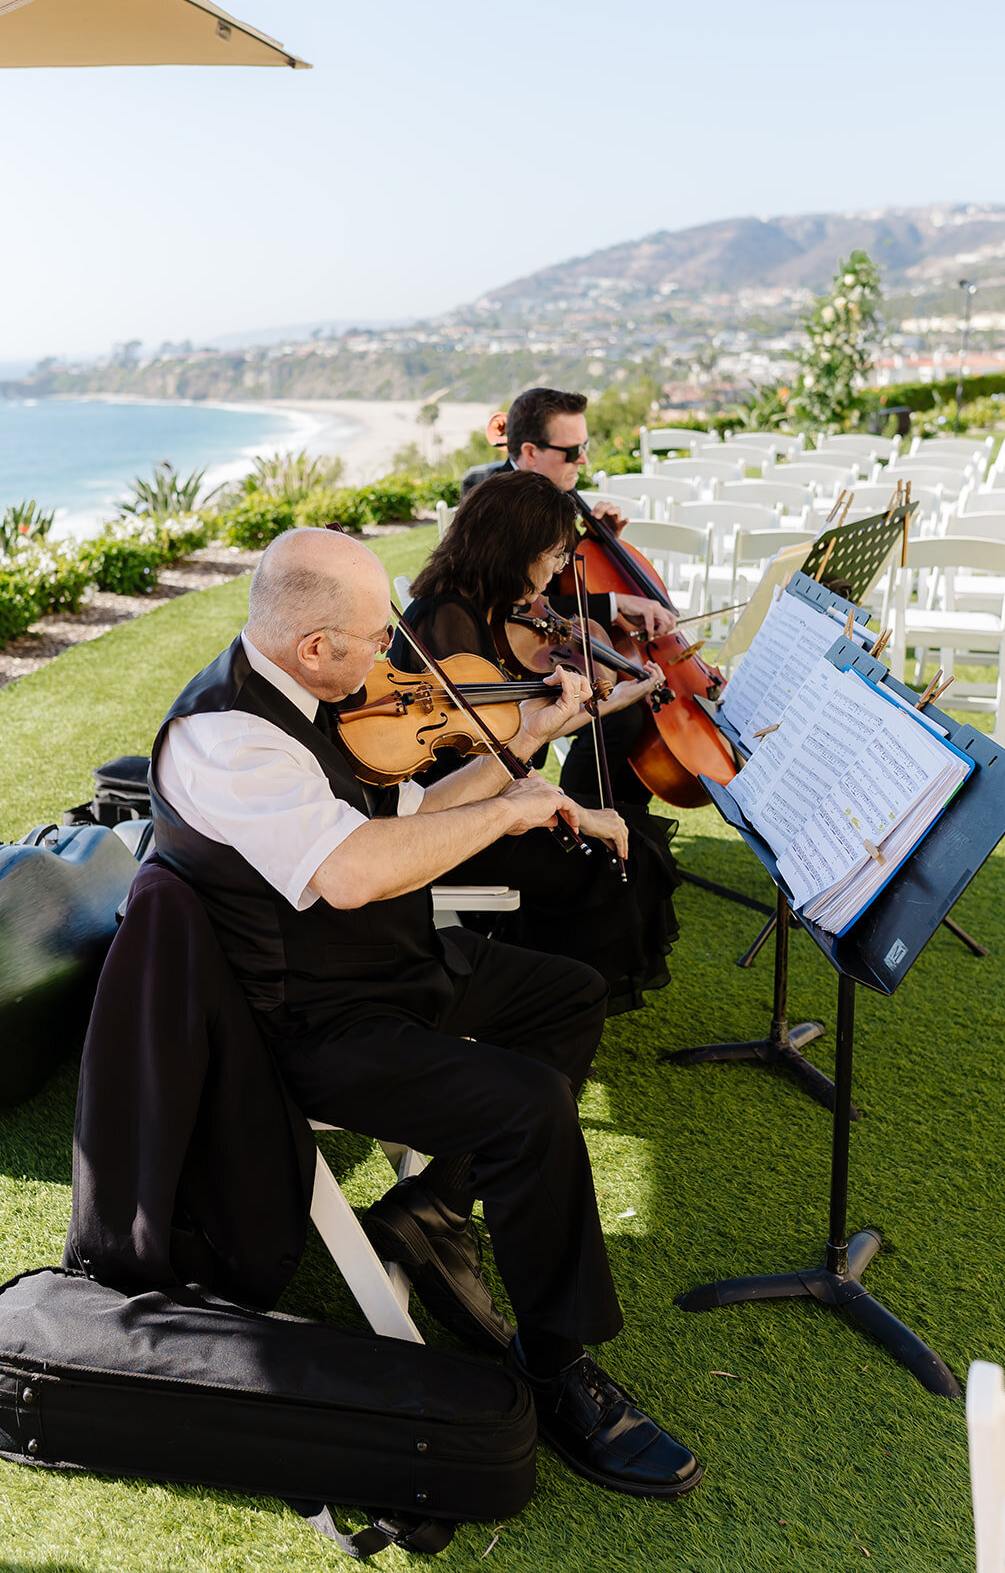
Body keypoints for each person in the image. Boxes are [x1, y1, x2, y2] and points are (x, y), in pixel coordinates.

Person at [149, 525, 701, 1501]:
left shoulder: (316, 695)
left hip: (388, 966)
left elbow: (407, 812)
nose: (390, 665)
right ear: (314, 644)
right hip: (306, 1021)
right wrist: (507, 813)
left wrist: (524, 744)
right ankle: (552, 1365)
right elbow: (352, 870)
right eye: (371, 640)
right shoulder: (227, 737)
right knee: (529, 1103)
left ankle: (436, 1207)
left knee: (567, 993)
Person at [392, 469, 680, 1015]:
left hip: (488, 800)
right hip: (449, 821)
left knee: (630, 838)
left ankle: (558, 987)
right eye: (551, 556)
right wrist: (572, 806)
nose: (556, 572)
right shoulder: (446, 621)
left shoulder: (480, 608)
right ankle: (550, 1001)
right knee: (611, 857)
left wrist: (609, 700)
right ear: (515, 548)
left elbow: (512, 738)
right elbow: (495, 753)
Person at [462, 387, 676, 805]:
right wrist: (614, 605)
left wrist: (595, 546)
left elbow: (555, 580)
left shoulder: (557, 492)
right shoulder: (489, 496)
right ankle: (581, 809)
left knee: (634, 699)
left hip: (552, 637)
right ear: (529, 451)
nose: (583, 459)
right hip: (506, 659)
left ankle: (623, 816)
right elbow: (516, 605)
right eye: (573, 449)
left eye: (586, 446)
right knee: (623, 711)